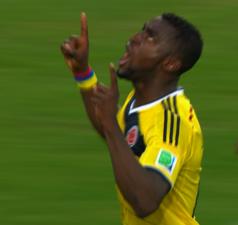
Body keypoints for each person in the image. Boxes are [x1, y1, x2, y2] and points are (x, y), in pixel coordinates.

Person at [60, 12, 204, 225]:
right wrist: (83, 74)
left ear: (171, 63)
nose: (135, 38)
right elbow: (121, 138)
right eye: (142, 30)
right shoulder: (141, 102)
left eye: (151, 37)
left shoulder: (172, 123)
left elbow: (145, 201)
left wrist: (110, 123)